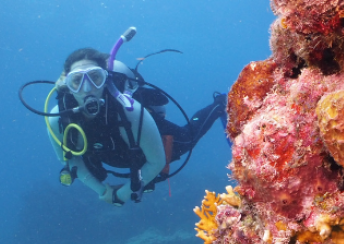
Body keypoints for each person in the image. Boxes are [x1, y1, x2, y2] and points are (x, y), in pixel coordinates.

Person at [46, 34, 226, 205]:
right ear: (67, 86)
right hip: (109, 154)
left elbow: (157, 161)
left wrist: (121, 195)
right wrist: (102, 191)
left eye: (95, 78)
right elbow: (71, 162)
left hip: (142, 147)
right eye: (77, 81)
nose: (87, 89)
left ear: (105, 79)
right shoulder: (57, 120)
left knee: (187, 138)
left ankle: (219, 104)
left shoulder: (129, 110)